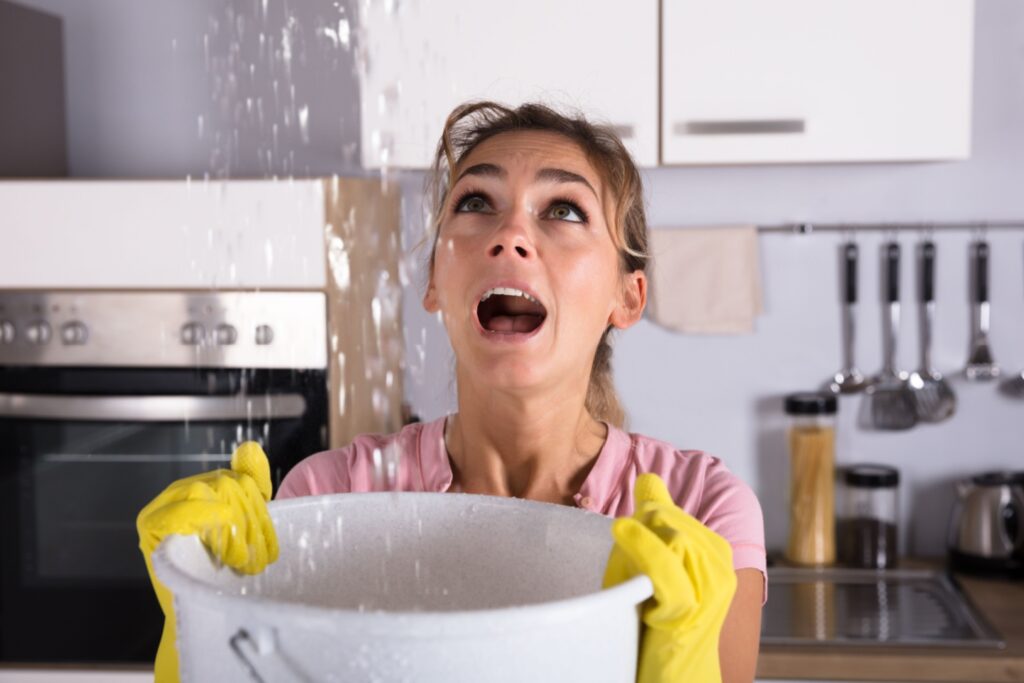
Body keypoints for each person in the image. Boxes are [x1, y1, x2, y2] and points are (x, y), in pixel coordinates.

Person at [138, 101, 766, 683]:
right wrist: (190, 612)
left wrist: (679, 653)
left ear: (626, 297)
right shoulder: (330, 499)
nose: (510, 234)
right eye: (475, 203)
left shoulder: (699, 512)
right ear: (436, 279)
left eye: (564, 210)